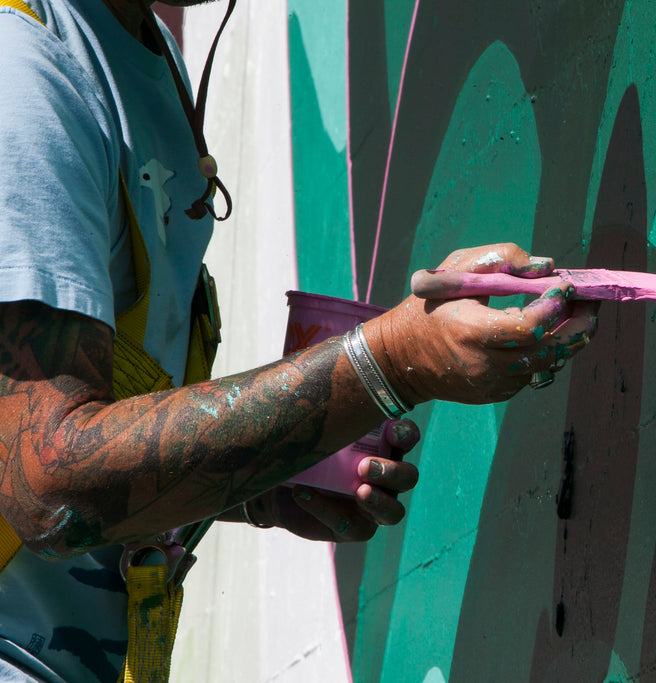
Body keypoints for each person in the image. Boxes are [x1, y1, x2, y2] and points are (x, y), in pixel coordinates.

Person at [0, 0, 598, 680]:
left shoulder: (146, 51)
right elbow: (47, 484)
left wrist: (259, 483)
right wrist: (389, 361)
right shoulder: (26, 72)